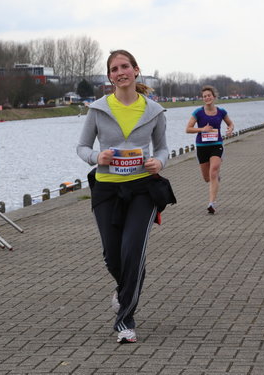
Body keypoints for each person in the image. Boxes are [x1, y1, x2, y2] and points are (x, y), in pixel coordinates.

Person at [77, 49, 176, 344]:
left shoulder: (154, 111)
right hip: (107, 189)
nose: (120, 72)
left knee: (134, 250)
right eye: (114, 69)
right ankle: (124, 292)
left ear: (135, 70)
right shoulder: (97, 109)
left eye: (125, 67)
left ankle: (125, 320)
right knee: (113, 255)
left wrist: (159, 162)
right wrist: (98, 156)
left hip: (142, 190)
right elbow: (82, 147)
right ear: (110, 76)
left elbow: (162, 149)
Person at [186, 85, 234, 214]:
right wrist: (202, 129)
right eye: (204, 96)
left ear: (214, 96)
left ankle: (211, 203)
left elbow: (230, 123)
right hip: (202, 147)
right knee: (207, 178)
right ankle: (215, 179)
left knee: (214, 171)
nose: (207, 98)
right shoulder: (198, 112)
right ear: (203, 99)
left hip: (216, 145)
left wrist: (230, 129)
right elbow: (188, 129)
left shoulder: (221, 112)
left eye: (209, 95)